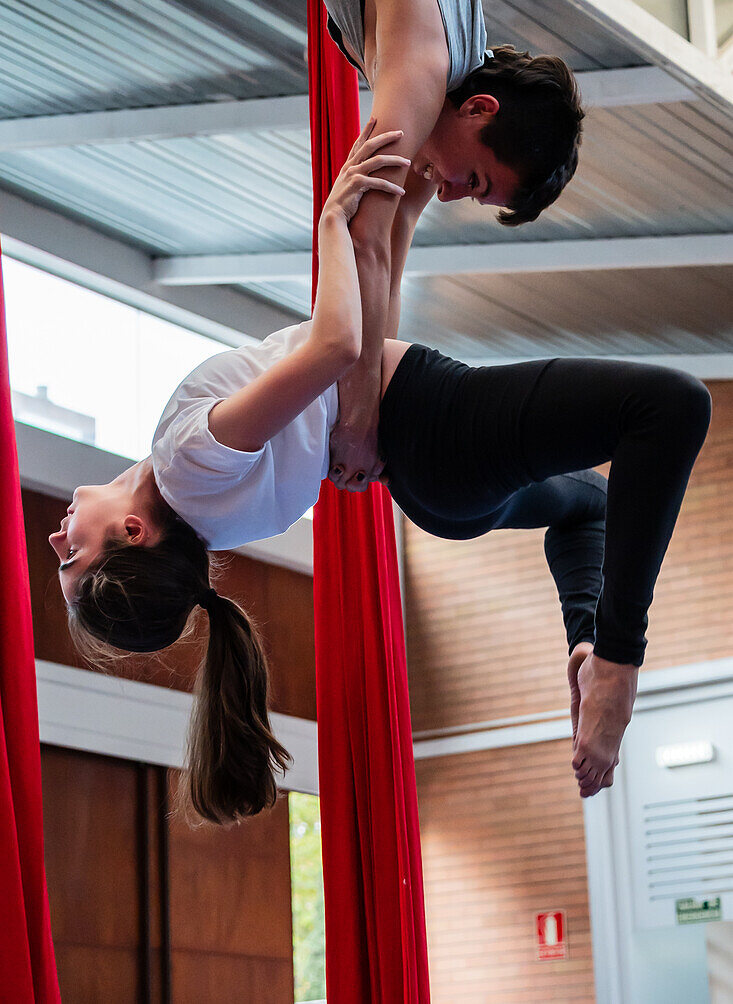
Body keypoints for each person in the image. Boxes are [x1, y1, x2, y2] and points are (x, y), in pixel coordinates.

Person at [50, 125, 711, 825]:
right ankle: (614, 662)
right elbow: (336, 344)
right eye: (74, 559)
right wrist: (335, 223)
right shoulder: (187, 462)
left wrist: (409, 208)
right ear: (132, 530)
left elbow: (363, 357)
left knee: (591, 506)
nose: (57, 541)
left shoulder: (220, 515)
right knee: (668, 405)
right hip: (437, 425)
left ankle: (583, 637)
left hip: (434, 485)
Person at [267, 0, 585, 493]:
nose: (451, 192)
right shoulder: (424, 70)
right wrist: (358, 420)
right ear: (480, 110)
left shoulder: (447, 102)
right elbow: (362, 237)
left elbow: (392, 240)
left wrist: (380, 401)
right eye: (476, 181)